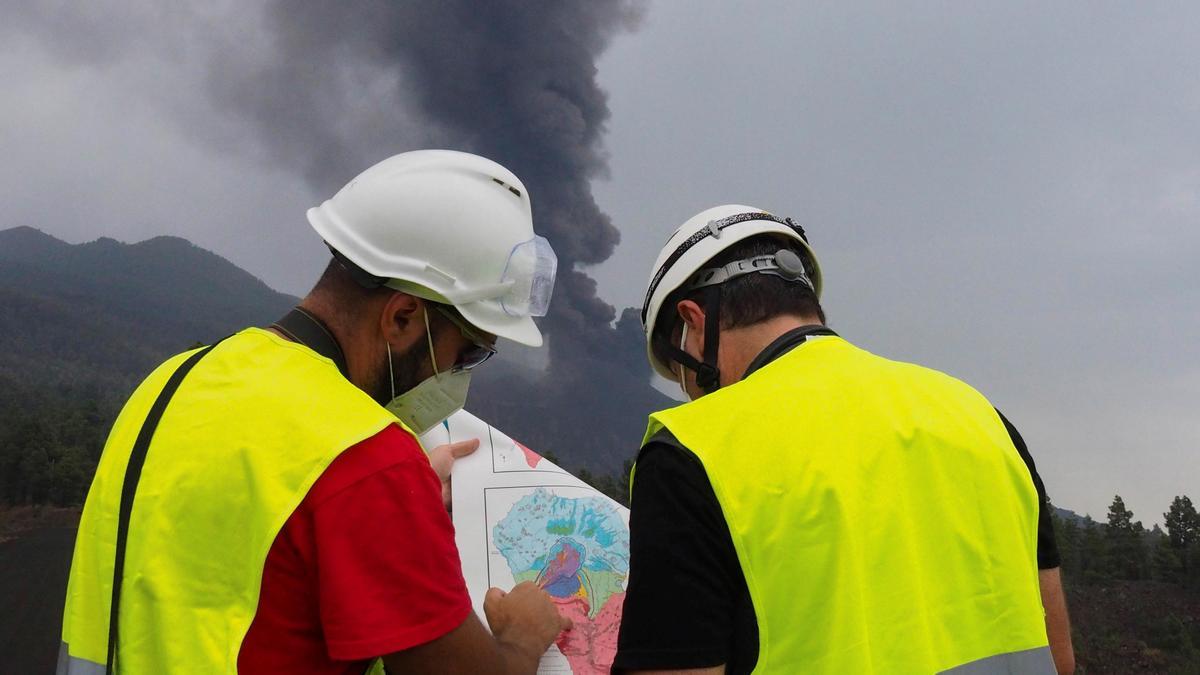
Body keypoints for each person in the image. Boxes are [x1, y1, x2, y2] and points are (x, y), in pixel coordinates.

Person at [59, 150, 571, 674]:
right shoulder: (367, 458)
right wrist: (522, 639)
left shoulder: (172, 381)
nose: (462, 375)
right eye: (469, 353)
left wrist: (404, 504)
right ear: (402, 317)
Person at [613, 205, 1075, 674]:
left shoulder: (691, 455)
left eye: (680, 372)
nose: (691, 395)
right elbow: (1059, 657)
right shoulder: (978, 415)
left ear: (694, 321)